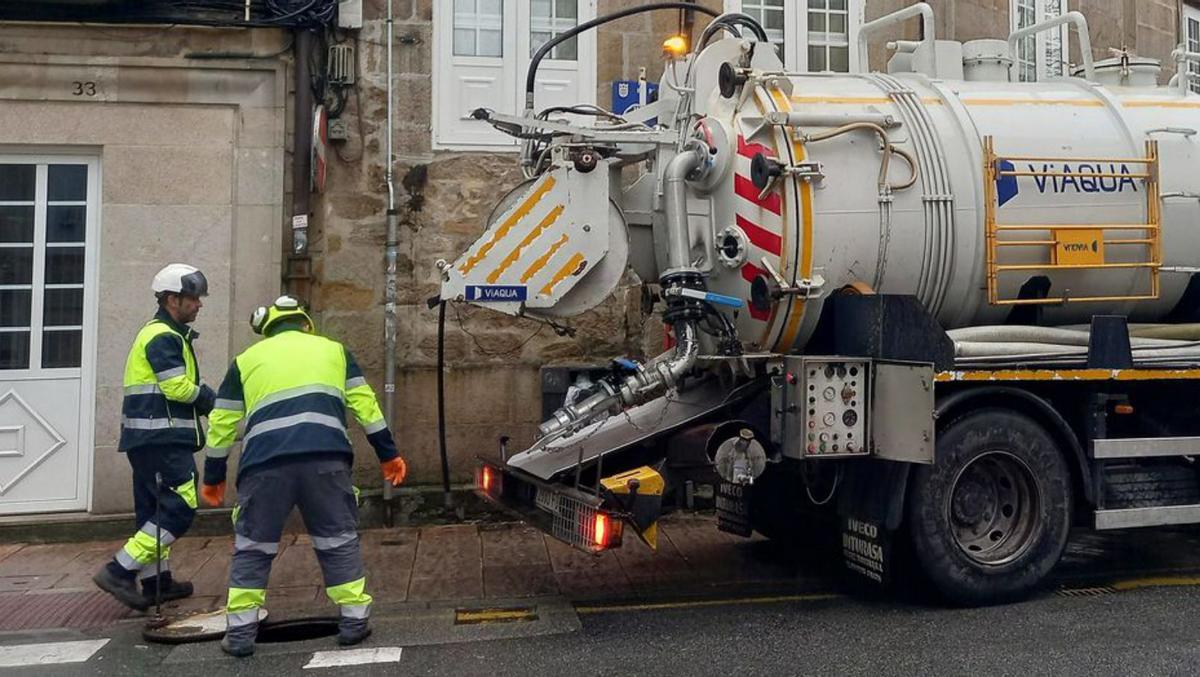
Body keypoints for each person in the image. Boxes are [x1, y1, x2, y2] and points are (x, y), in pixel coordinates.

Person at [200, 295, 408, 657]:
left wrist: (213, 475)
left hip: (265, 465)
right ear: (304, 323)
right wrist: (388, 455)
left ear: (266, 330)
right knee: (337, 539)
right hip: (325, 460)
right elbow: (366, 406)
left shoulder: (245, 361)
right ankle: (354, 621)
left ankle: (240, 635)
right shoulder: (334, 351)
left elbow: (222, 423)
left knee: (253, 546)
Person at [93, 264, 216, 610]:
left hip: (148, 438)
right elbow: (175, 386)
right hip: (162, 437)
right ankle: (119, 570)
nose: (199, 305)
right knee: (181, 506)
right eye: (193, 298)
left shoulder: (160, 333)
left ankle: (156, 582)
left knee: (154, 510)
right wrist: (212, 402)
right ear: (172, 299)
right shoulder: (164, 336)